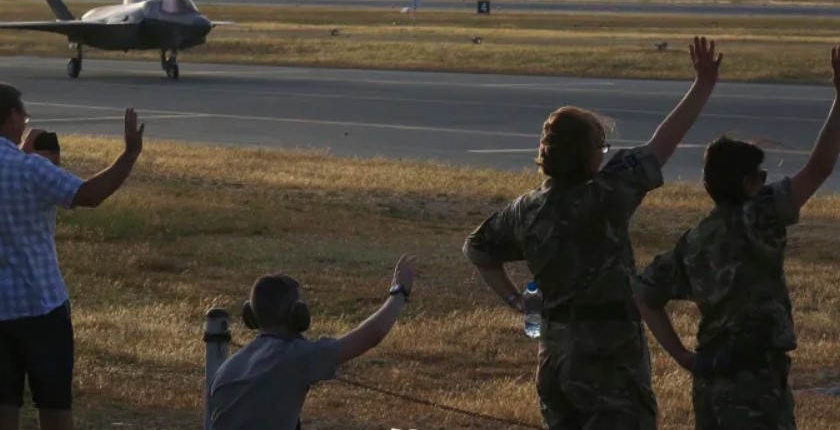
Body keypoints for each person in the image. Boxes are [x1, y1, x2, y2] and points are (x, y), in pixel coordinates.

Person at [461, 37, 723, 429]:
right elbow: (662, 145)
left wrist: (517, 300)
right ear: (586, 153)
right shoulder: (606, 195)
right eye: (600, 146)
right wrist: (703, 86)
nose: (604, 152)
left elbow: (478, 251)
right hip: (609, 357)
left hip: (555, 354)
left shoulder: (526, 209)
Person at [633, 46, 840, 430]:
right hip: (756, 383)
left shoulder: (694, 241)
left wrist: (681, 355)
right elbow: (820, 167)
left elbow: (645, 296)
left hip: (710, 381)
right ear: (747, 185)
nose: (764, 182)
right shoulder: (760, 216)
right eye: (759, 177)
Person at [0, 82, 145, 430]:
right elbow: (89, 195)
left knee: (1, 394)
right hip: (36, 305)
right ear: (12, 115)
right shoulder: (31, 169)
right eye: (24, 116)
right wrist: (129, 154)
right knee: (53, 398)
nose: (25, 123)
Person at [208, 255, 417, 430]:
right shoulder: (294, 357)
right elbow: (371, 334)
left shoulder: (226, 370)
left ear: (251, 316)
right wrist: (398, 292)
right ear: (297, 315)